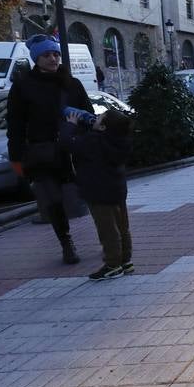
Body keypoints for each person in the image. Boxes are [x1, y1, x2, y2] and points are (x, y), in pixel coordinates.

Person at [7, 34, 91, 264]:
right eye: (46, 55)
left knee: (92, 194)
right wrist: (16, 155)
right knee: (53, 201)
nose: (53, 59)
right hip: (42, 153)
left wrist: (86, 137)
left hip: (73, 150)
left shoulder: (72, 84)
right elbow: (15, 123)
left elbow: (89, 115)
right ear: (36, 58)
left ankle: (109, 241)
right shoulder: (23, 86)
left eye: (55, 54)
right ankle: (66, 243)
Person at [61, 107, 133, 280]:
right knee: (122, 226)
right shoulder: (120, 141)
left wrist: (70, 125)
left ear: (103, 128)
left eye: (100, 118)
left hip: (98, 192)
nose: (95, 118)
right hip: (117, 190)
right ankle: (125, 260)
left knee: (107, 229)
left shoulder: (93, 141)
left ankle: (112, 265)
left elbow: (67, 143)